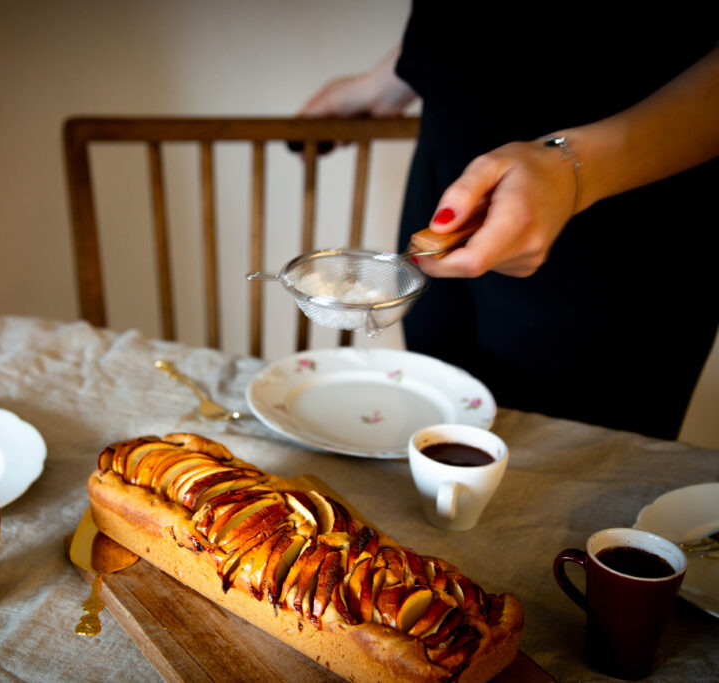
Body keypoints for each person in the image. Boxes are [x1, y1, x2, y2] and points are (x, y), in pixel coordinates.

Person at [299, 5, 719, 440]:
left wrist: (576, 172)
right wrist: (392, 78)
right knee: (443, 433)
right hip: (450, 166)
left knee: (574, 462)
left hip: (625, 204)